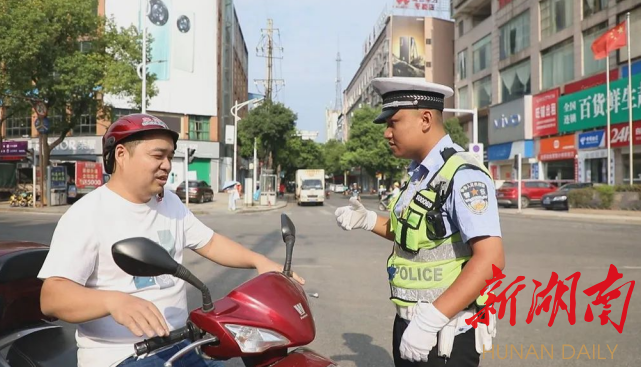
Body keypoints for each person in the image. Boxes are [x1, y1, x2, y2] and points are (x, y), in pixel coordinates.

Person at [38, 114, 304, 367]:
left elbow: (209, 242)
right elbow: (53, 297)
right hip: (122, 356)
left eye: (170, 156)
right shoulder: (87, 214)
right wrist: (113, 301)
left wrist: (260, 261)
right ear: (121, 155)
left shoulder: (170, 203)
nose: (166, 164)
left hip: (180, 345)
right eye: (157, 155)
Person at [334, 78, 504, 367]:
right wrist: (369, 220)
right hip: (411, 323)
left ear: (425, 119)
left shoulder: (463, 174)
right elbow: (415, 234)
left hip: (445, 332)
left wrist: (431, 320)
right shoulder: (421, 175)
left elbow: (491, 260)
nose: (387, 133)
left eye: (394, 122)